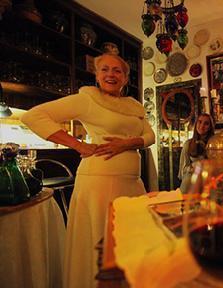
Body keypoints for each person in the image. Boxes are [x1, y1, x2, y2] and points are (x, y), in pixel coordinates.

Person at [21, 53, 155, 288]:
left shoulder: (134, 106)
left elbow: (150, 136)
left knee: (130, 241)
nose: (110, 74)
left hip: (132, 182)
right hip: (100, 182)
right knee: (101, 242)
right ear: (96, 74)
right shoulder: (88, 99)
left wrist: (127, 143)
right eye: (104, 69)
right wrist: (78, 144)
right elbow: (34, 116)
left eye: (117, 70)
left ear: (126, 77)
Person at [178, 113, 214, 193]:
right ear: (196, 123)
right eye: (200, 122)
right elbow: (182, 170)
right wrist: (193, 167)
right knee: (188, 178)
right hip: (193, 177)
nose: (202, 126)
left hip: (209, 178)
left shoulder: (214, 144)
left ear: (210, 127)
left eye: (206, 124)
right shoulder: (188, 144)